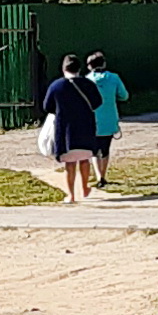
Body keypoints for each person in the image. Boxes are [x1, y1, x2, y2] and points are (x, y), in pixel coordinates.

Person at [39, 52, 104, 204]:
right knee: (84, 158)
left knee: (70, 163)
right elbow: (97, 102)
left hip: (66, 129)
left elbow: (47, 106)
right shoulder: (88, 84)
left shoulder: (56, 86)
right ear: (79, 68)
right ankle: (85, 187)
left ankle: (71, 195)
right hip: (85, 127)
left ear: (63, 69)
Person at [84, 49, 130, 186]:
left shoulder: (86, 80)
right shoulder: (114, 78)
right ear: (104, 64)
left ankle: (98, 176)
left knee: (94, 151)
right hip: (109, 119)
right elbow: (124, 96)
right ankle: (103, 175)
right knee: (105, 149)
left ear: (89, 66)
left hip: (91, 121)